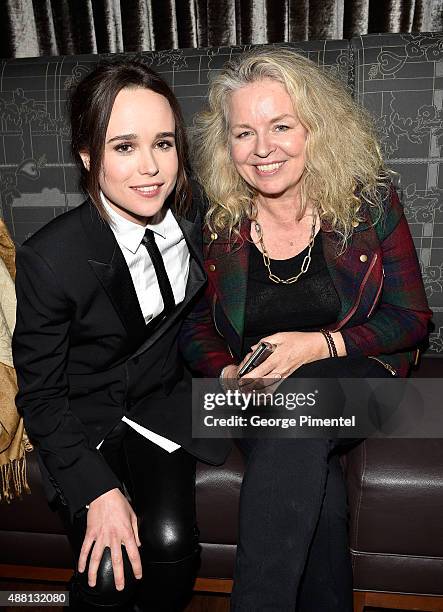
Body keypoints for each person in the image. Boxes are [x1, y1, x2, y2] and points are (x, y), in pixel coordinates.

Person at [181, 49, 432, 611]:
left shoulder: (368, 203)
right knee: (308, 471)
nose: (263, 148)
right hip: (254, 391)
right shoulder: (217, 218)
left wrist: (319, 344)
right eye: (243, 133)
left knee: (298, 411)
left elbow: (413, 319)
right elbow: (195, 324)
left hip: (362, 374)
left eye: (281, 126)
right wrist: (223, 371)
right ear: (227, 146)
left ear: (315, 128)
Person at [12, 60, 228, 612]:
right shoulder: (51, 257)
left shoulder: (193, 213)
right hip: (84, 422)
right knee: (108, 571)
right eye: (125, 147)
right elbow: (39, 395)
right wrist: (97, 489)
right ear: (88, 156)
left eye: (164, 143)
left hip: (161, 405)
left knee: (173, 548)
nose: (152, 168)